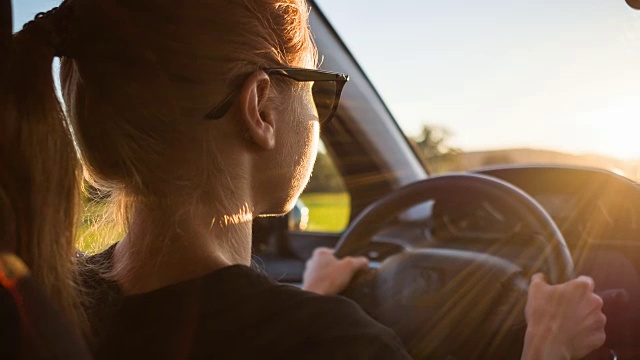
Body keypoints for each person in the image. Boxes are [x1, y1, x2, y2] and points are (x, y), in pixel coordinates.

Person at [9, 0, 605, 359]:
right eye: (317, 90)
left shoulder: (40, 308)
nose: (318, 118)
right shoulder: (337, 348)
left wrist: (307, 300)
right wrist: (547, 341)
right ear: (261, 107)